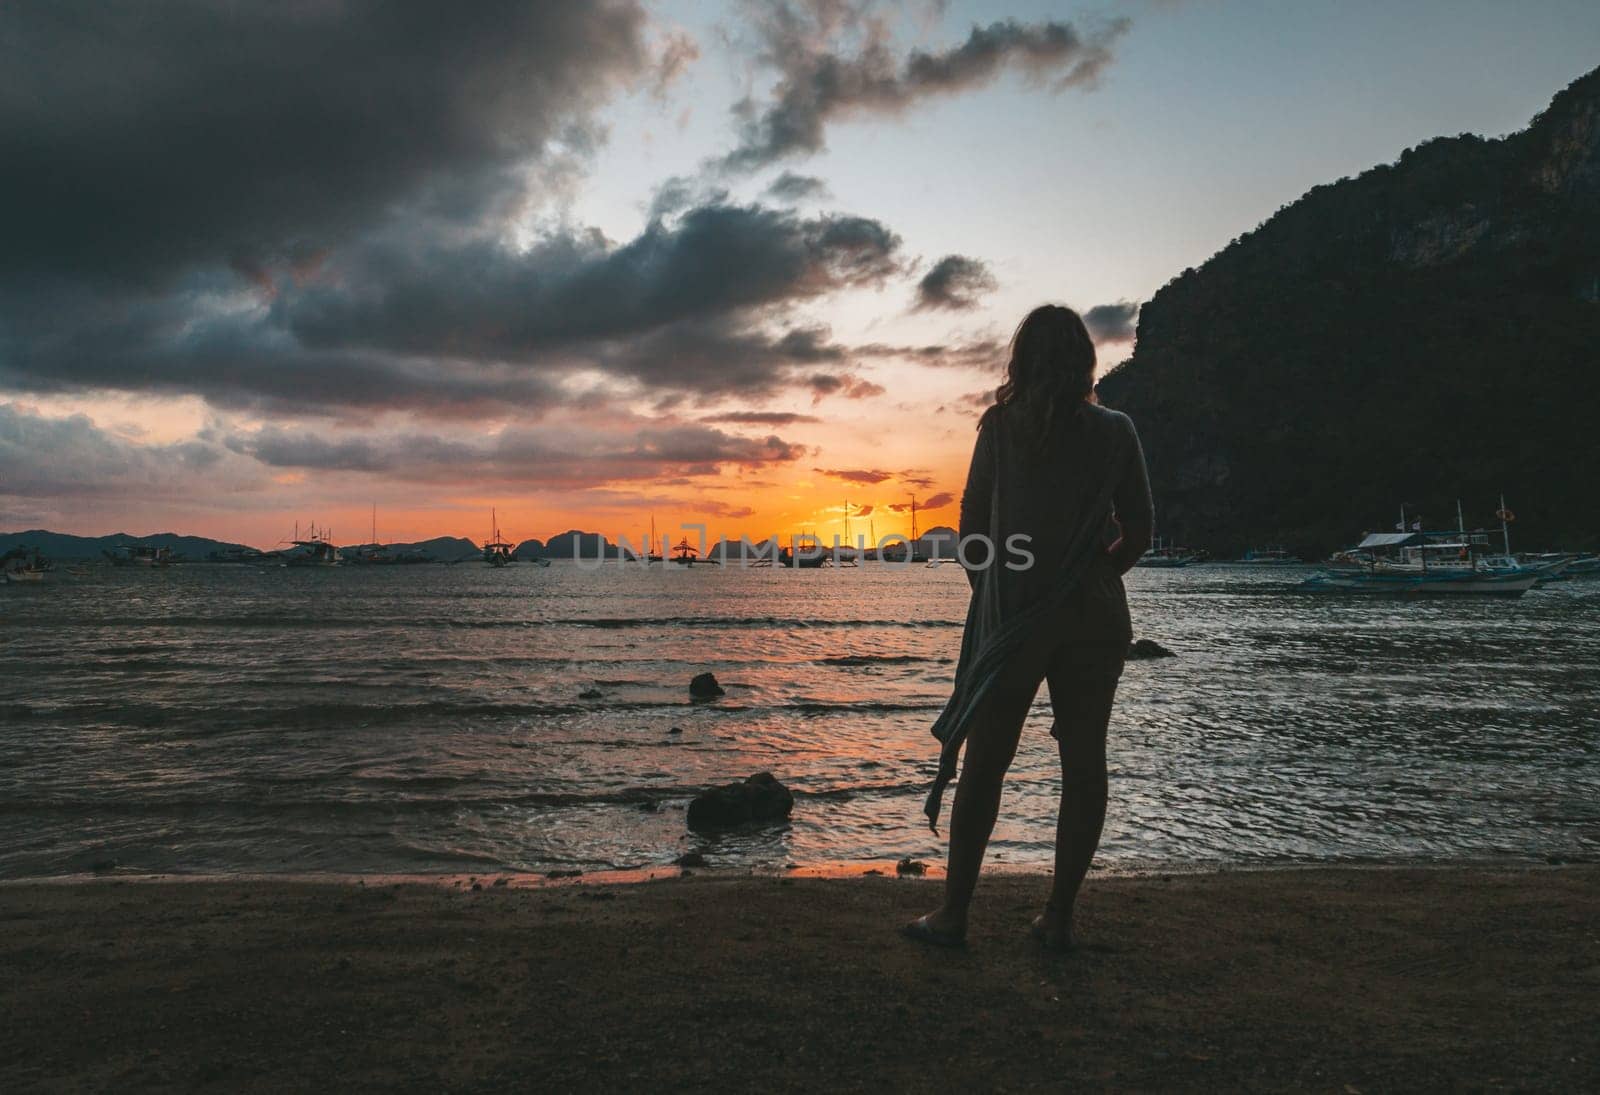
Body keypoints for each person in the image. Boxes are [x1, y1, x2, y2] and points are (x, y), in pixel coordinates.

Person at [902, 304, 1153, 950]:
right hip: (1095, 618)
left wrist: (997, 591)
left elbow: (971, 533)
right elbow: (1140, 532)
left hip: (1014, 619)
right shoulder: (1117, 431)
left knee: (986, 763)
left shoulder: (1000, 427)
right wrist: (1090, 577)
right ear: (1085, 362)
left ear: (1019, 360)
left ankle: (955, 912)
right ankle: (1058, 917)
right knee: (1083, 762)